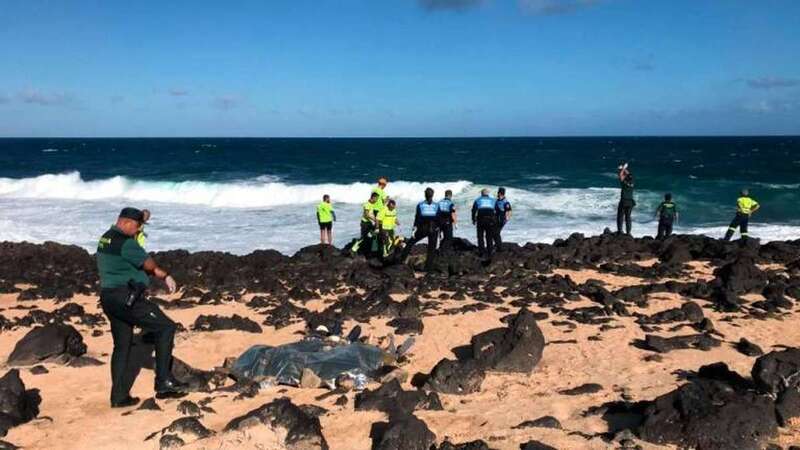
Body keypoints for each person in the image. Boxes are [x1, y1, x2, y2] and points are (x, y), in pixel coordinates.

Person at [96, 207, 186, 408]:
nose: (138, 231)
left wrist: (142, 219)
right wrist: (165, 275)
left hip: (109, 298)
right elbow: (149, 264)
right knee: (166, 327)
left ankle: (119, 397)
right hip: (127, 298)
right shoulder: (126, 243)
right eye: (137, 227)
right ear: (126, 223)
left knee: (122, 345)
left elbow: (135, 223)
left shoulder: (106, 237)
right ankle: (163, 382)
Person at [401, 187, 440, 271]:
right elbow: (439, 218)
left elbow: (417, 218)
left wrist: (414, 229)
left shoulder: (420, 205)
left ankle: (401, 260)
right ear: (432, 195)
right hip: (434, 229)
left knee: (410, 242)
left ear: (425, 195)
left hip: (423, 228)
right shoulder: (437, 205)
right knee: (431, 249)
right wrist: (439, 229)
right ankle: (428, 268)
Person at [472, 188, 498, 259]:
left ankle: (482, 252)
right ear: (488, 194)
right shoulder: (493, 200)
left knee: (480, 236)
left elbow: (474, 210)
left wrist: (473, 219)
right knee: (489, 236)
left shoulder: (477, 200)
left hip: (481, 219)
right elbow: (497, 210)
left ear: (481, 194)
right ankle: (490, 252)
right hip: (490, 220)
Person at [617, 163, 636, 235]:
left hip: (624, 201)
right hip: (630, 202)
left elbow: (620, 176)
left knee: (620, 216)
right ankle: (628, 232)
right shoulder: (632, 182)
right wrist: (624, 168)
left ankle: (620, 231)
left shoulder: (624, 183)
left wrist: (622, 169)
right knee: (628, 217)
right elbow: (628, 174)